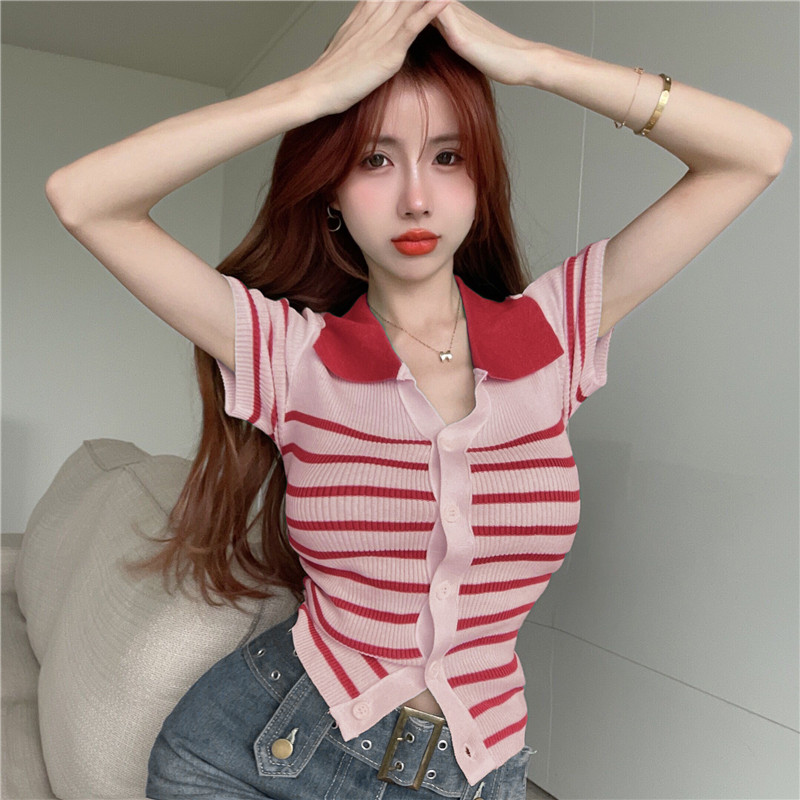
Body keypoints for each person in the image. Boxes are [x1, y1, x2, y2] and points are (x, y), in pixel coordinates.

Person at [44, 1, 791, 798]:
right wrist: (311, 92)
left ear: (479, 182)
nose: (416, 199)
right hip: (254, 756)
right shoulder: (293, 357)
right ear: (332, 193)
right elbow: (84, 197)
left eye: (447, 157)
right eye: (375, 159)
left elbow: (755, 154)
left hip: (476, 771)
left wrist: (535, 63)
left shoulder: (553, 334)